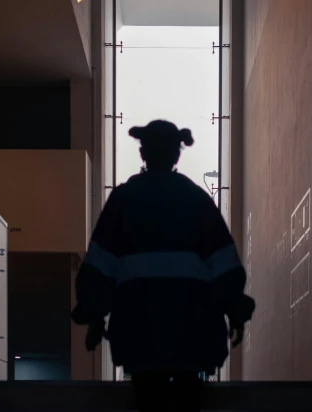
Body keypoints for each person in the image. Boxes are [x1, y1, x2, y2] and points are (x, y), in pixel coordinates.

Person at [72, 120, 255, 412]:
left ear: (143, 153)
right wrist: (235, 313)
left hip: (139, 336)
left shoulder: (122, 201)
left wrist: (94, 318)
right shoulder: (197, 201)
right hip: (193, 338)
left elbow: (99, 268)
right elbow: (225, 267)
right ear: (176, 155)